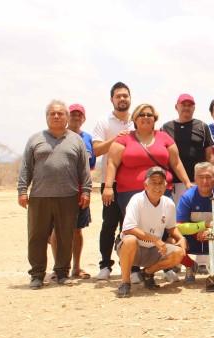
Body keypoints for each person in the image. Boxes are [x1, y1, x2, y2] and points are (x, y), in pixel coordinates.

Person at [102, 103, 192, 283]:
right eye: (141, 114)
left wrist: (187, 182)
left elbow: (176, 163)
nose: (146, 117)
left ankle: (162, 268)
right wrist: (108, 186)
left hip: (161, 190)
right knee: (130, 230)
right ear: (134, 119)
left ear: (155, 118)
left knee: (163, 228)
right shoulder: (124, 139)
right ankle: (133, 270)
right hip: (129, 191)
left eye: (150, 114)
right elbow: (112, 162)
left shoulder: (164, 138)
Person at [18, 99, 92, 289]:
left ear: (67, 118)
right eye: (53, 113)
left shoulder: (76, 140)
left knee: (65, 235)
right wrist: (22, 190)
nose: (57, 116)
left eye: (60, 113)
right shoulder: (35, 139)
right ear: (47, 117)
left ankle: (62, 272)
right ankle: (36, 274)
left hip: (68, 196)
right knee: (37, 236)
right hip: (39, 196)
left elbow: (84, 168)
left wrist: (86, 190)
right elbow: (26, 166)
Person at [115, 167, 186, 298]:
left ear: (165, 186)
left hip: (154, 250)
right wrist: (154, 239)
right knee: (130, 240)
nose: (157, 186)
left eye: (160, 183)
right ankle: (125, 282)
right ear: (145, 185)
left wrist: (181, 238)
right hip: (133, 249)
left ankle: (147, 273)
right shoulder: (137, 200)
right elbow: (128, 228)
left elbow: (171, 227)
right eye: (153, 182)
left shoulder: (168, 203)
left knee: (178, 253)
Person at [49, 104, 96, 280]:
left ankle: (76, 267)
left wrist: (86, 190)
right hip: (59, 190)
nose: (76, 118)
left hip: (80, 191)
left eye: (80, 115)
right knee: (56, 230)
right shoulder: (59, 136)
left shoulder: (88, 139)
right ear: (67, 117)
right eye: (73, 114)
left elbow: (90, 166)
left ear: (84, 119)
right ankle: (58, 268)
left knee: (77, 230)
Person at [92, 82, 134, 279]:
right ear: (112, 100)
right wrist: (116, 139)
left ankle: (133, 267)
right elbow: (97, 150)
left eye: (125, 95)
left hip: (133, 183)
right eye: (118, 96)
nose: (122, 99)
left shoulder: (138, 120)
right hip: (110, 183)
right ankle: (105, 265)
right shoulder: (103, 122)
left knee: (131, 225)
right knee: (109, 224)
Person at [161, 94, 214, 206]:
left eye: (190, 105)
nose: (186, 107)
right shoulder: (165, 128)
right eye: (183, 105)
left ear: (194, 108)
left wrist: (211, 178)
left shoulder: (202, 126)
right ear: (176, 107)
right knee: (176, 218)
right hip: (174, 182)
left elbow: (209, 155)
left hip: (199, 181)